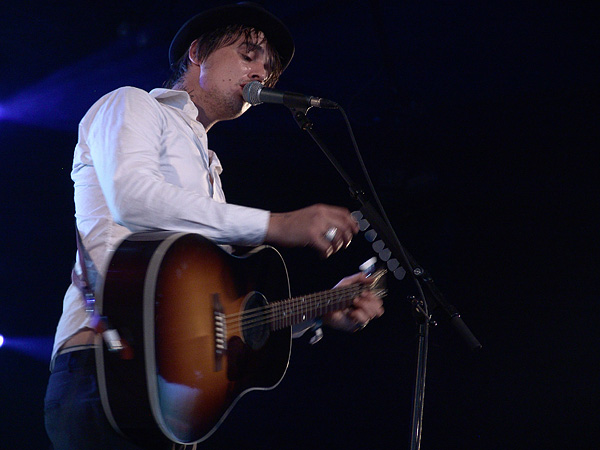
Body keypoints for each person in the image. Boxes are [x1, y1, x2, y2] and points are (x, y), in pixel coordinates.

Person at [44, 3, 384, 449]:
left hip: (172, 399)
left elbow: (224, 321)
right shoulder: (132, 105)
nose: (262, 70)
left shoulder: (209, 170)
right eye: (248, 53)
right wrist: (277, 224)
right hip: (105, 370)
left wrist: (319, 310)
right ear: (198, 53)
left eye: (270, 68)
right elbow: (134, 200)